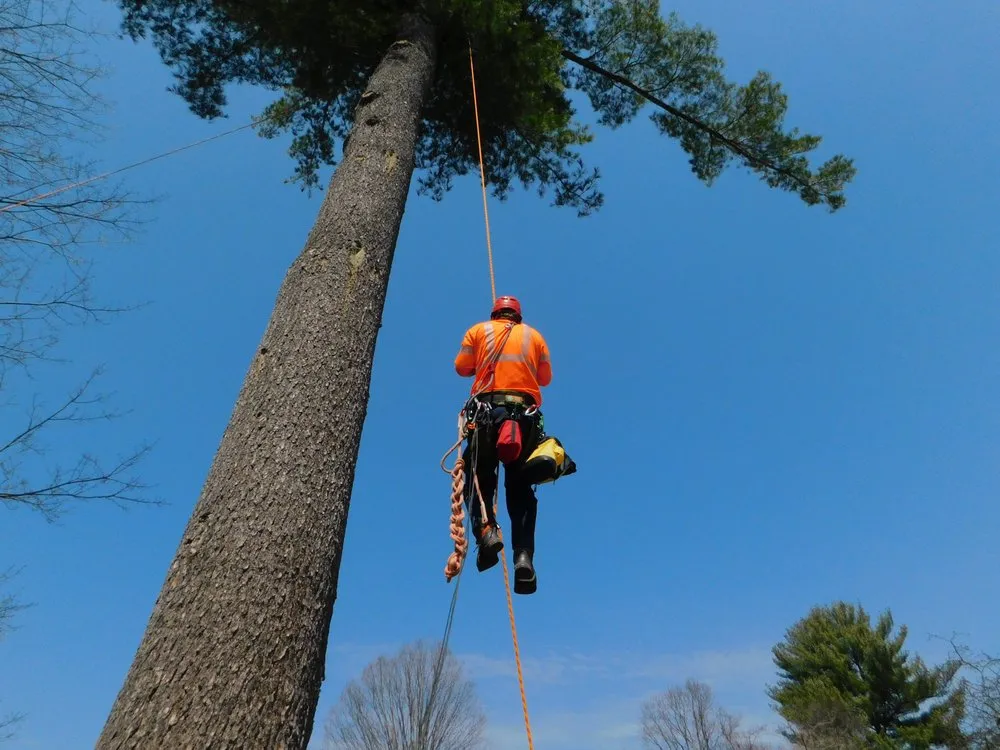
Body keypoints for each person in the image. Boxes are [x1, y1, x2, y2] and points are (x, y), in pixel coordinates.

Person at [454, 295, 552, 595]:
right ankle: (523, 556)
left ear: (494, 313)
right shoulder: (534, 336)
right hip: (524, 417)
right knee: (520, 488)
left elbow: (462, 367)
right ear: (517, 316)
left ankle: (486, 532)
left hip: (486, 413)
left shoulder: (478, 331)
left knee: (479, 478)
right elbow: (545, 378)